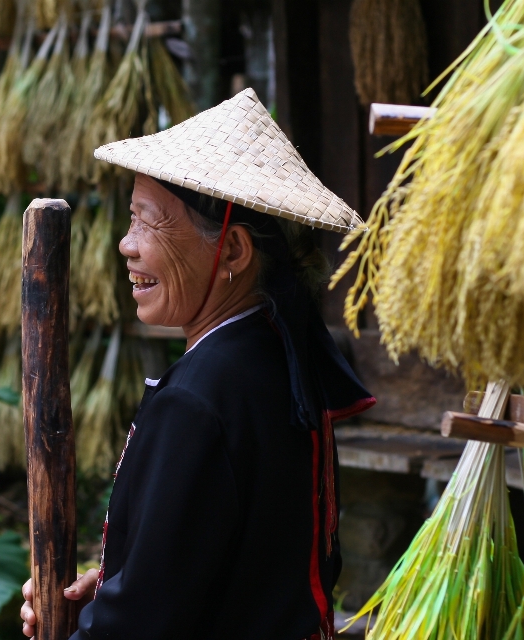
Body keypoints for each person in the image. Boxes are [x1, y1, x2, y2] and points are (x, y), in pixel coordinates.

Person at [20, 88, 375, 640]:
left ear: (232, 251)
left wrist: (106, 618)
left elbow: (138, 628)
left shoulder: (203, 398)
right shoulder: (269, 357)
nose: (126, 245)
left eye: (148, 222)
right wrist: (119, 585)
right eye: (130, 219)